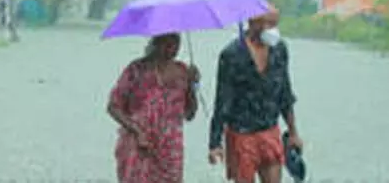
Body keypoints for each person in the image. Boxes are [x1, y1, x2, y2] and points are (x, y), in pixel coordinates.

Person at [208, 10, 303, 183]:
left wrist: (293, 132)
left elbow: (285, 93)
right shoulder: (232, 54)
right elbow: (222, 100)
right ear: (253, 23)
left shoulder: (279, 49)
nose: (273, 30)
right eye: (269, 24)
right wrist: (215, 143)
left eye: (275, 24)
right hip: (241, 134)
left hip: (269, 130)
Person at [107, 33, 200, 183]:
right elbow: (113, 106)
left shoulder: (183, 72)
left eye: (176, 44)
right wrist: (136, 131)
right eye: (167, 44)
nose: (172, 49)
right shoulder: (136, 69)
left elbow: (189, 114)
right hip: (138, 143)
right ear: (156, 43)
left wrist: (193, 86)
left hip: (169, 148)